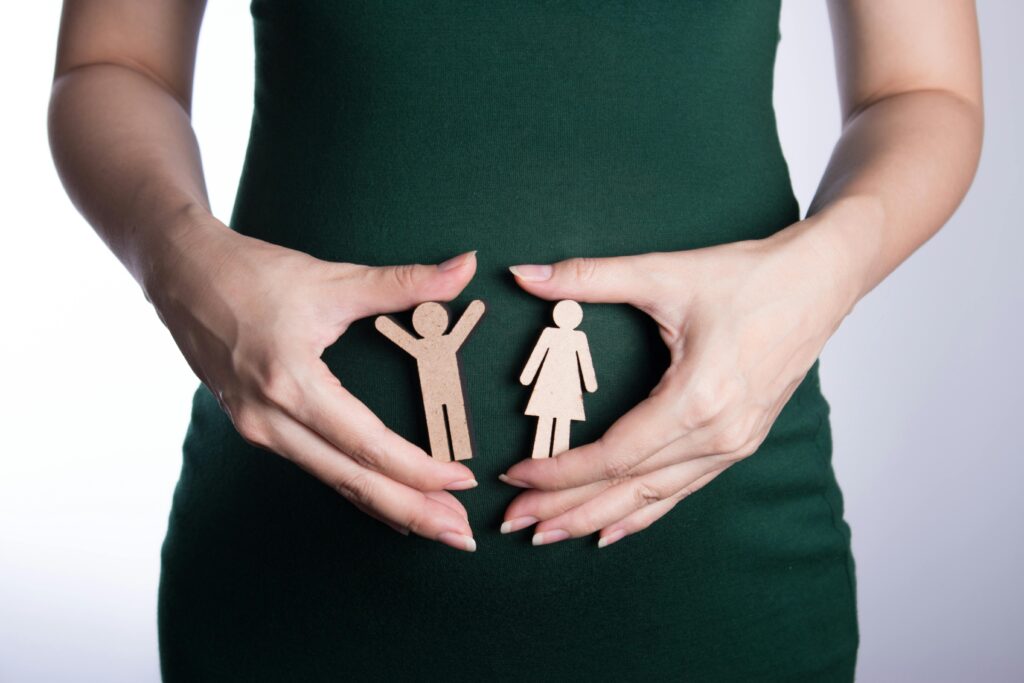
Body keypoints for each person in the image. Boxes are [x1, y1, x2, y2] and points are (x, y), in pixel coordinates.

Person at [48, 1, 983, 680]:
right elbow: (113, 63)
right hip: (286, 588)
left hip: (723, 587)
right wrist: (178, 256)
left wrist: (827, 269)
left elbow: (924, 89)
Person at [375, 300, 485, 462]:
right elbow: (399, 336)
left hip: (448, 390)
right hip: (433, 393)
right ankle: (445, 453)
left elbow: (466, 324)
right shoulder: (429, 346)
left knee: (453, 419)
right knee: (438, 423)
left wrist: (475, 309)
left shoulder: (435, 345)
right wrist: (475, 309)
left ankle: (457, 450)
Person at [520, 299, 598, 458]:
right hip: (551, 385)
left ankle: (555, 459)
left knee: (559, 423)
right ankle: (541, 457)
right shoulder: (550, 333)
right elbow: (538, 355)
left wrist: (590, 383)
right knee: (547, 420)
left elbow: (584, 361)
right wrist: (527, 376)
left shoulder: (578, 337)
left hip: (566, 387)